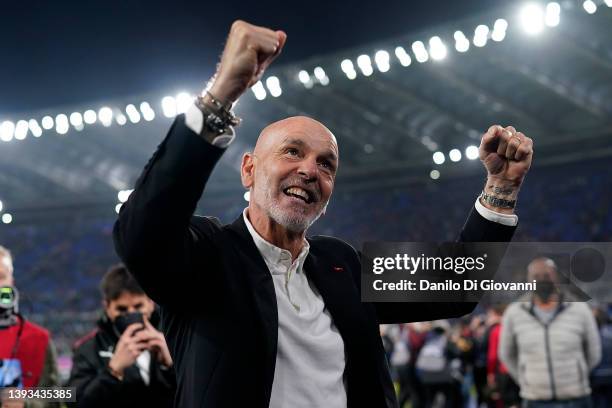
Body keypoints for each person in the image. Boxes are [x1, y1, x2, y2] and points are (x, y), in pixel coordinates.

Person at [113, 20, 534, 408]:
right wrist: (220, 95)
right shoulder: (208, 257)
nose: (310, 170)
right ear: (249, 170)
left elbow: (452, 287)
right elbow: (141, 235)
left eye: (326, 164)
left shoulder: (342, 265)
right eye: (292, 151)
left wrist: (501, 187)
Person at [499, 257, 602, 408]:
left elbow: (594, 353)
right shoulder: (514, 313)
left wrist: (577, 374)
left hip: (576, 398)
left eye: (546, 275)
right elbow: (506, 354)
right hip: (534, 400)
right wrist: (526, 380)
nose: (542, 280)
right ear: (528, 280)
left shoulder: (579, 310)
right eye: (536, 276)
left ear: (556, 277)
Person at [68, 264, 175, 408]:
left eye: (138, 306)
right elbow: (75, 402)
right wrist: (113, 371)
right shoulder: (88, 349)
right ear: (107, 307)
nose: (131, 314)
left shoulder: (174, 340)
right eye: (122, 309)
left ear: (150, 303)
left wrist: (170, 366)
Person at [0, 245, 60, 408]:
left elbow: (60, 395)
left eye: (0, 277)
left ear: (11, 282)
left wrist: (25, 403)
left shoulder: (39, 339)